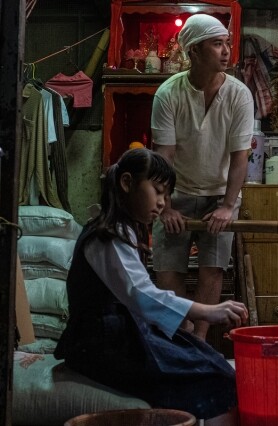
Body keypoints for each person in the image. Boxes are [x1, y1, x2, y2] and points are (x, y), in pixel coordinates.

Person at [54, 149, 248, 425]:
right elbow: (142, 295)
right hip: (100, 345)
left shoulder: (121, 229)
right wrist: (207, 311)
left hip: (118, 334)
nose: (161, 203)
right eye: (157, 191)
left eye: (166, 196)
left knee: (212, 359)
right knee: (218, 376)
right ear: (127, 182)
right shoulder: (107, 236)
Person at [150, 14, 254, 340]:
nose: (225, 51)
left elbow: (240, 158)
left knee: (213, 269)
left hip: (220, 194)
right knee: (168, 272)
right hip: (176, 190)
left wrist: (227, 205)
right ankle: (182, 332)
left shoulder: (239, 95)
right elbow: (162, 156)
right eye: (216, 44)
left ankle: (200, 341)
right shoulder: (168, 94)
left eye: (227, 43)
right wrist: (164, 206)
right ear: (194, 51)